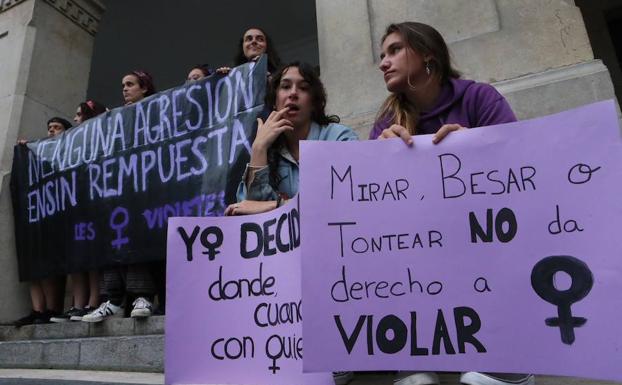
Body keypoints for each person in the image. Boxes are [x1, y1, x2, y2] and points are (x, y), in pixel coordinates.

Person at [372, 22, 532, 385]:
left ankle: (511, 356)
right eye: (382, 55)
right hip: (422, 263)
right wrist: (377, 162)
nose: (384, 62)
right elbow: (376, 220)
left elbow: (523, 176)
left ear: (429, 54)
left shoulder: (479, 99)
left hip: (486, 250)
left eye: (395, 50)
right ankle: (416, 357)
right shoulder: (386, 124)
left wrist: (477, 149)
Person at [225, 61, 358, 215]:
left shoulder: (339, 138)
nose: (293, 93)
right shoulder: (267, 147)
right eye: (285, 86)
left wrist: (276, 205)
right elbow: (249, 210)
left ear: (314, 103)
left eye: (303, 88)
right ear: (275, 101)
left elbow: (345, 198)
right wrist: (259, 148)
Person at [82, 73, 158, 322]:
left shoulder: (158, 110)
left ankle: (142, 295)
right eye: (122, 85)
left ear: (144, 88)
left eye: (130, 84)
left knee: (136, 240)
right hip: (116, 192)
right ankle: (112, 300)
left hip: (143, 190)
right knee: (112, 241)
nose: (124, 89)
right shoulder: (114, 119)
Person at [50, 101, 108, 323]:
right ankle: (77, 305)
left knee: (91, 258)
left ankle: (92, 302)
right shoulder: (70, 143)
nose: (75, 120)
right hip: (75, 205)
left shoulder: (101, 136)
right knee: (76, 259)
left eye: (79, 115)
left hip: (94, 204)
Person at [13, 117, 72, 327]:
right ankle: (38, 310)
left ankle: (51, 308)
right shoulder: (42, 153)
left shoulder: (72, 151)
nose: (51, 131)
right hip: (39, 216)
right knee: (33, 264)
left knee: (49, 265)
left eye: (57, 128)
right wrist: (25, 151)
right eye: (49, 128)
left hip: (60, 218)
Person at [217, 27, 282, 75]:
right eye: (249, 39)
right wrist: (225, 79)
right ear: (242, 48)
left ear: (267, 46)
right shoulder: (234, 75)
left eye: (260, 39)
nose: (254, 41)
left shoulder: (283, 72)